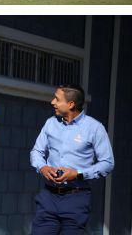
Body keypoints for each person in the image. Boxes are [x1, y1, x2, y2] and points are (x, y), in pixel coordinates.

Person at [29, 84, 114, 235]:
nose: (52, 102)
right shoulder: (50, 123)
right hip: (48, 198)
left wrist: (78, 173)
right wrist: (43, 167)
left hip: (76, 199)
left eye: (57, 99)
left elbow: (107, 163)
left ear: (71, 104)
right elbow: (36, 151)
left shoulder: (94, 128)